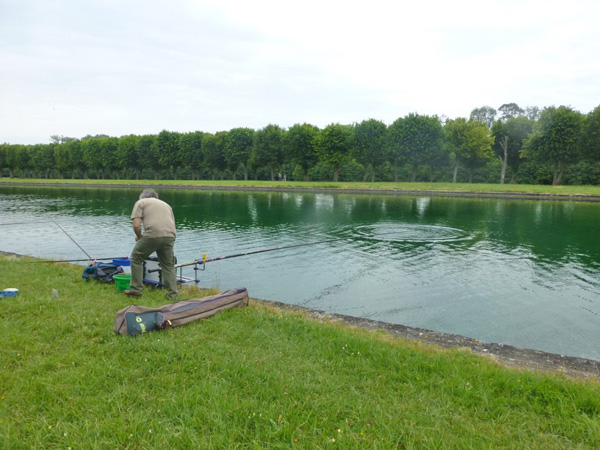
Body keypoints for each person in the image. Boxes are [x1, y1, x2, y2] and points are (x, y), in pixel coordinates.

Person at [124, 189, 178, 300]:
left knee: (136, 258)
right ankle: (173, 295)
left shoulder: (141, 203)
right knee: (168, 265)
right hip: (170, 236)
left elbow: (136, 225)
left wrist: (139, 237)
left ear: (143, 197)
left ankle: (136, 290)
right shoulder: (167, 205)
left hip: (152, 234)